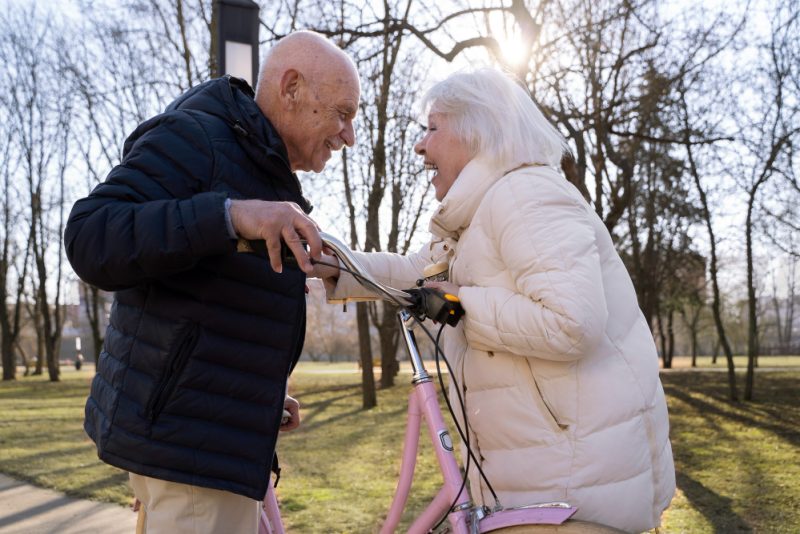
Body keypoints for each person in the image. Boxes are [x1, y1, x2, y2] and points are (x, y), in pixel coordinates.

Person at [315, 68, 675, 533]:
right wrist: (331, 260)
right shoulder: (477, 219)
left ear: (476, 131)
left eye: (432, 128)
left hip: (570, 493)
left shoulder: (525, 196)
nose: (420, 146)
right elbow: (412, 274)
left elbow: (572, 322)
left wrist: (457, 307)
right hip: (540, 481)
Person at [64, 31, 360, 534]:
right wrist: (229, 215)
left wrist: (258, 393)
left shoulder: (255, 161)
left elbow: (210, 309)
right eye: (342, 113)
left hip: (205, 445)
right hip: (190, 455)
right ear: (290, 88)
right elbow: (91, 234)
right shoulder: (199, 139)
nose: (347, 135)